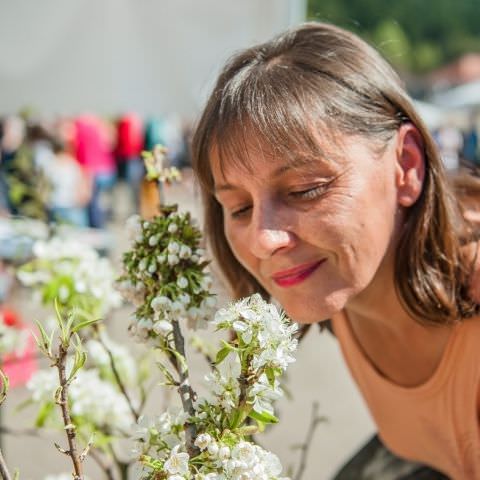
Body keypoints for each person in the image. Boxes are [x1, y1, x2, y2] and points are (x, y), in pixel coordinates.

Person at [191, 22, 480, 479]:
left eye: (307, 189)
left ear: (406, 166)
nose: (265, 239)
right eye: (239, 207)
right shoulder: (338, 284)